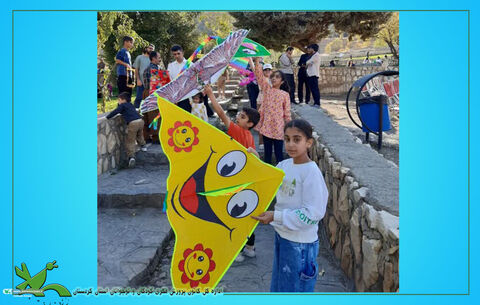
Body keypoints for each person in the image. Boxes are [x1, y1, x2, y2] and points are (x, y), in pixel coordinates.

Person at [252, 119, 328, 292]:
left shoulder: (311, 173)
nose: (291, 144)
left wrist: (275, 216)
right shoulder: (284, 165)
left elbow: (312, 213)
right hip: (283, 237)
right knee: (280, 289)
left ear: (309, 142)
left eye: (297, 139)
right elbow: (270, 179)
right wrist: (256, 163)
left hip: (300, 246)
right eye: (286, 139)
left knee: (293, 292)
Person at [205, 84, 260, 261]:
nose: (238, 117)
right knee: (246, 216)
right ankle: (250, 247)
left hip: (234, 182)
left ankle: (235, 250)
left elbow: (221, 114)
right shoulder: (250, 137)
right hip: (245, 181)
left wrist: (211, 94)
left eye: (242, 117)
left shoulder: (237, 131)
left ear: (249, 124)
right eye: (239, 114)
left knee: (232, 217)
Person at [250, 57, 291, 165]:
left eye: (277, 77)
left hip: (278, 128)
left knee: (279, 156)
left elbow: (287, 113)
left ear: (282, 81)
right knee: (267, 156)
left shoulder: (285, 95)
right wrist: (257, 61)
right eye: (272, 76)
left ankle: (281, 176)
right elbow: (259, 76)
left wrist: (290, 127)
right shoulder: (267, 89)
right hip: (267, 127)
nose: (273, 78)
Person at [106, 92, 147, 168]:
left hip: (133, 123)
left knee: (130, 140)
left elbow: (116, 111)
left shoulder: (122, 106)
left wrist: (108, 117)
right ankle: (143, 146)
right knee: (139, 135)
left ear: (123, 100)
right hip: (140, 121)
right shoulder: (130, 105)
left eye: (119, 100)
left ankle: (131, 156)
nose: (118, 101)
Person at [142, 51, 169, 143]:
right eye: (158, 57)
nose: (160, 59)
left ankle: (148, 136)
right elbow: (156, 84)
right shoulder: (153, 70)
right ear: (153, 58)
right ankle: (156, 137)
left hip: (149, 93)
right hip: (152, 93)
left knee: (148, 114)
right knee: (154, 114)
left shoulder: (153, 68)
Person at [167, 45, 190, 112]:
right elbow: (169, 80)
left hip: (187, 94)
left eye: (178, 53)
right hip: (175, 94)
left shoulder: (190, 64)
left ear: (182, 53)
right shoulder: (170, 66)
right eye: (175, 54)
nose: (177, 56)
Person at [132, 44, 154, 108]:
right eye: (149, 48)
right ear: (146, 48)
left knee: (149, 100)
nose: (151, 50)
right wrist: (138, 80)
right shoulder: (140, 57)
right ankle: (136, 114)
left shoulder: (153, 59)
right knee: (139, 99)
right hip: (141, 82)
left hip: (151, 84)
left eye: (152, 49)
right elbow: (136, 69)